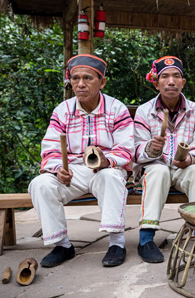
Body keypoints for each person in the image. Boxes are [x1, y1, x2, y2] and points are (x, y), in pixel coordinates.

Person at [29, 54, 134, 267]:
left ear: (102, 82)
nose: (80, 84)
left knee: (111, 177)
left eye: (88, 78)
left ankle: (116, 243)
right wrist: (59, 169)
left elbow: (126, 149)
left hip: (106, 170)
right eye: (75, 79)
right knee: (40, 184)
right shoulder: (63, 110)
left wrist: (107, 161)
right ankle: (63, 245)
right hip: (73, 172)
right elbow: (49, 148)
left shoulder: (116, 109)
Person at [133, 56, 195, 263]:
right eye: (165, 77)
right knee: (158, 171)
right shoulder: (144, 111)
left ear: (183, 82)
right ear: (156, 82)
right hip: (155, 167)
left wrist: (190, 160)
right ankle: (146, 239)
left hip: (183, 168)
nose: (171, 81)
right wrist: (151, 149)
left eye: (176, 76)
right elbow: (135, 149)